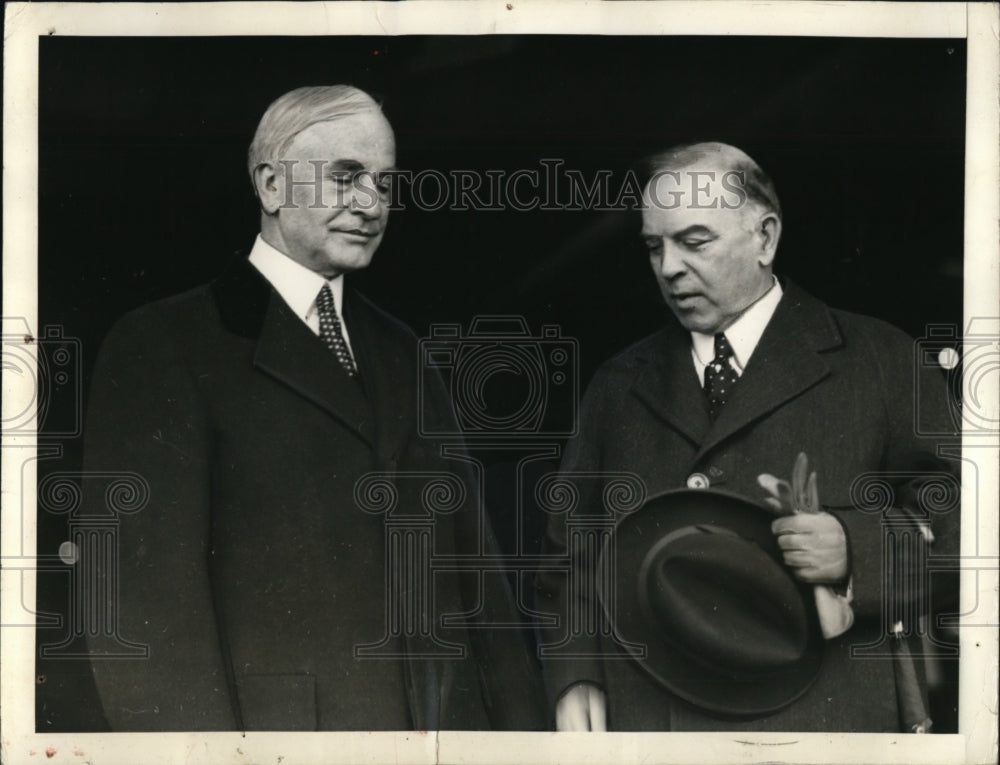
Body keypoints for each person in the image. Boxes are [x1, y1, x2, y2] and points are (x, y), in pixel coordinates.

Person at [82, 85, 544, 731]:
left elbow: (478, 577)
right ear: (271, 185)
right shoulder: (164, 345)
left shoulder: (401, 350)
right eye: (346, 176)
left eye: (383, 184)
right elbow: (142, 616)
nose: (369, 205)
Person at [536, 142, 959, 732]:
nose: (669, 267)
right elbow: (570, 557)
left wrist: (855, 548)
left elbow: (972, 533)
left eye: (694, 241)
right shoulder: (617, 384)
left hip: (821, 728)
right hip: (656, 724)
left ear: (765, 237)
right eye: (654, 246)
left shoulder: (885, 361)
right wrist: (576, 675)